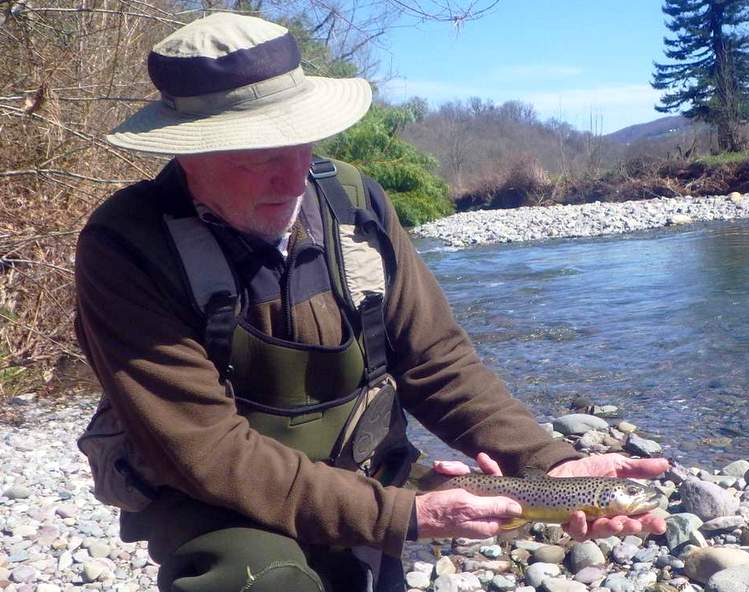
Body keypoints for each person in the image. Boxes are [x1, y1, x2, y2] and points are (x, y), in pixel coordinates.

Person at [74, 12, 668, 592]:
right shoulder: (127, 248)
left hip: (362, 470)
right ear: (189, 152)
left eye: (300, 142)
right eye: (256, 156)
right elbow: (207, 451)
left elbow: (436, 360)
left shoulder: (352, 203)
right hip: (217, 498)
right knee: (260, 577)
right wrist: (404, 515)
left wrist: (546, 464)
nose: (289, 178)